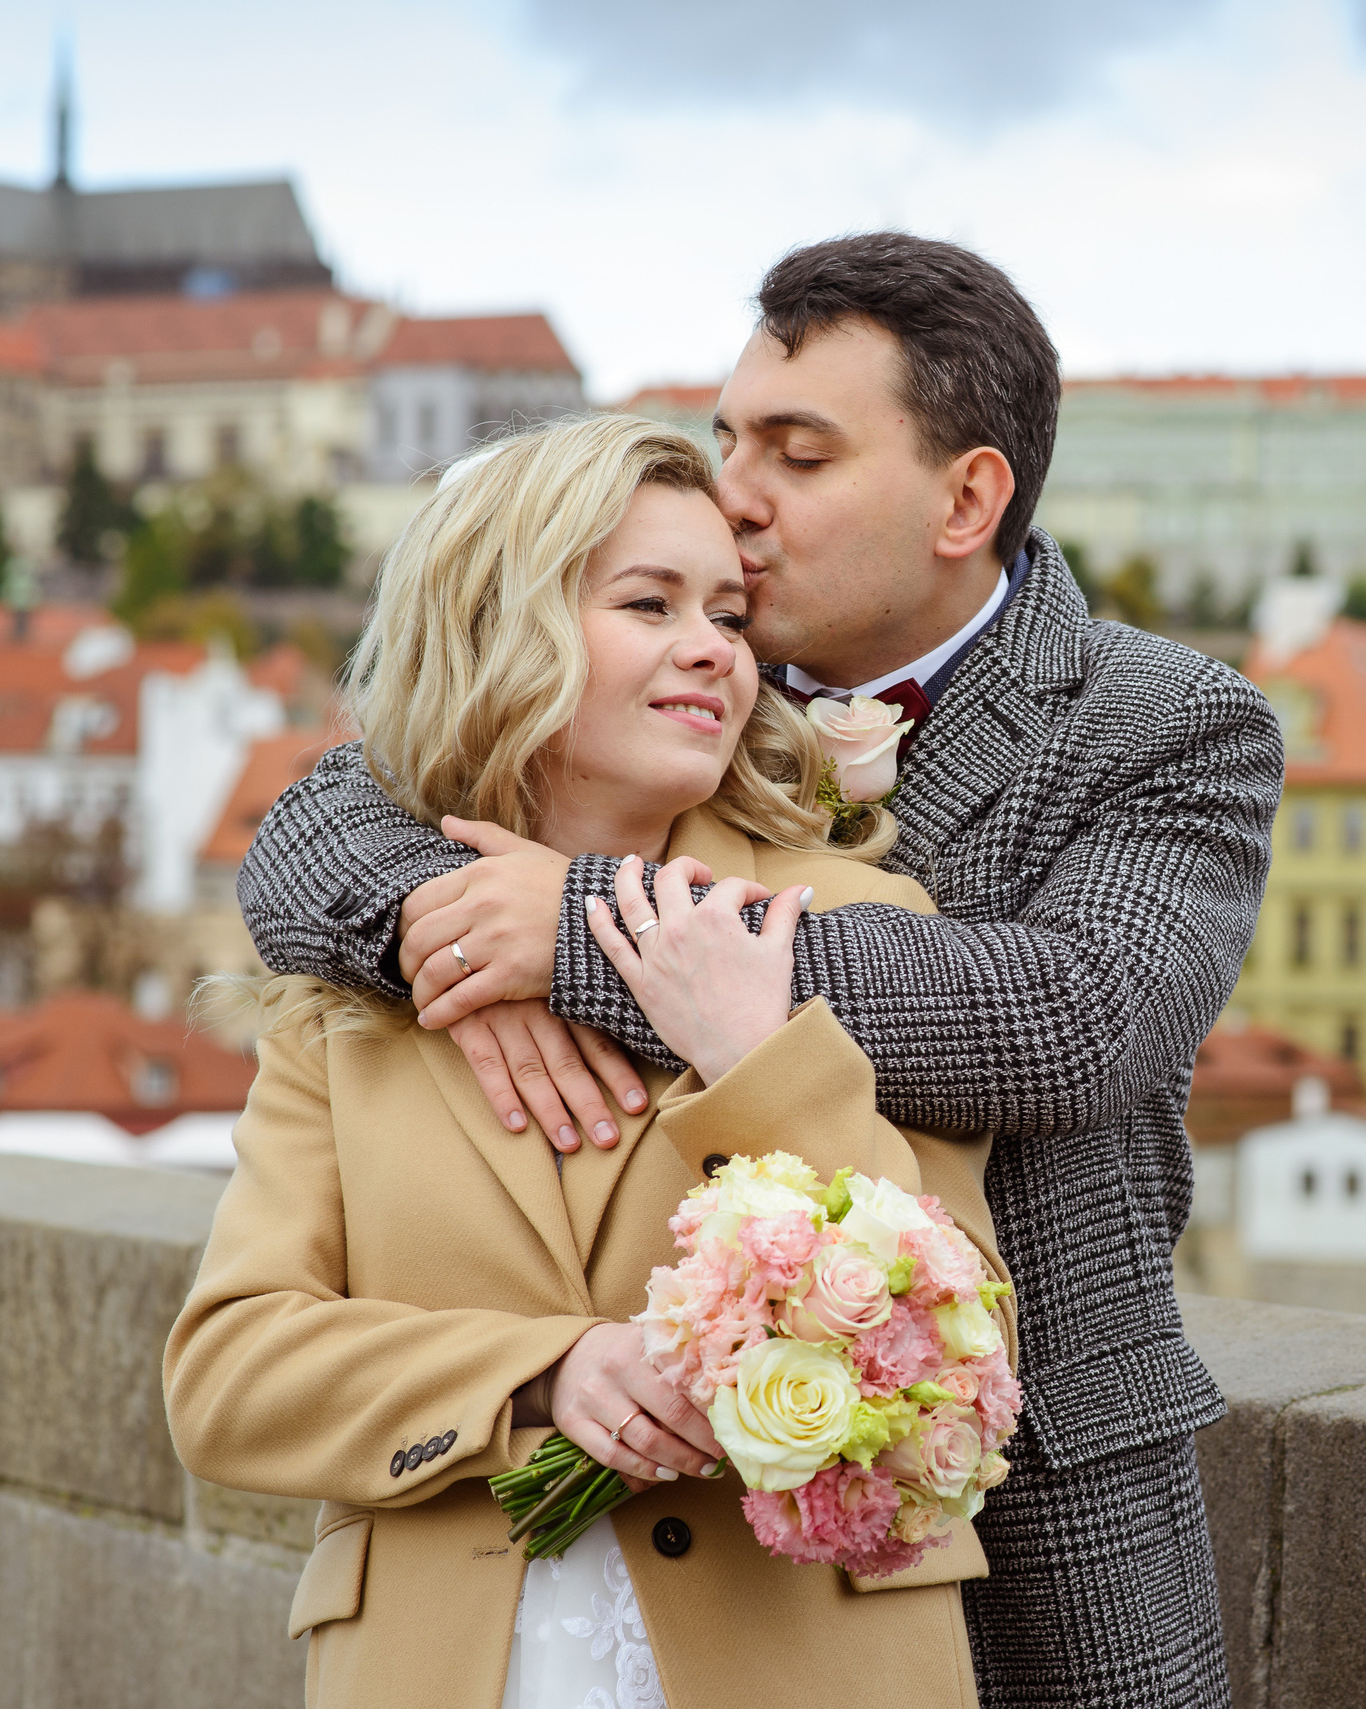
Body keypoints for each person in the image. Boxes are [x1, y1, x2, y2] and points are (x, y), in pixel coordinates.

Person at [236, 233, 1285, 1707]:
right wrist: (443, 926)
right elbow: (314, 831)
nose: (736, 495)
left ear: (966, 499)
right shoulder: (687, 647)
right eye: (728, 438)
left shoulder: (1162, 720)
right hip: (694, 1538)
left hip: (1048, 1486)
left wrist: (579, 934)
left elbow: (1074, 1022)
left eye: (797, 455)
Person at [166, 415, 1006, 1709]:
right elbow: (229, 1376)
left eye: (729, 615)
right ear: (500, 630)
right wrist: (538, 1373)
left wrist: (753, 1057)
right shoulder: (353, 990)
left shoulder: (847, 924)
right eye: (649, 603)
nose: (713, 649)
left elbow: (964, 1354)